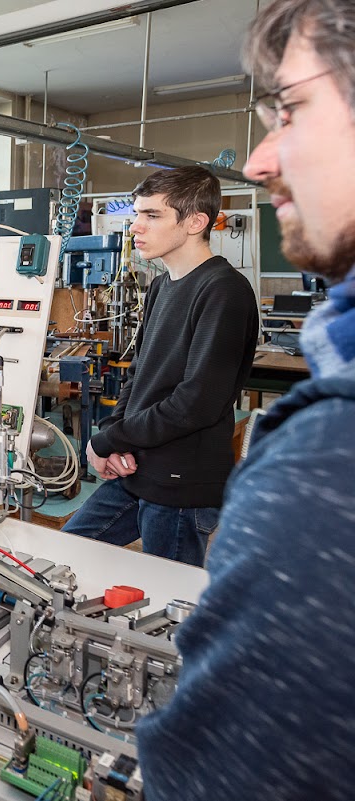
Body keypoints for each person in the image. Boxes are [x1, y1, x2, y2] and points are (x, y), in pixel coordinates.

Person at [138, 3, 355, 797]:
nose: (260, 161)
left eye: (290, 109)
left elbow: (216, 771)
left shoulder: (327, 455)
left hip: (180, 475)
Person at [62, 166, 259, 567]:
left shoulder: (223, 291)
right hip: (138, 470)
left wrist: (109, 441)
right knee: (65, 553)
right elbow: (138, 374)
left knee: (170, 597)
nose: (136, 226)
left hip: (181, 485)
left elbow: (196, 403)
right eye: (137, 214)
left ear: (195, 223)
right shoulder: (160, 286)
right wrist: (113, 435)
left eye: (152, 215)